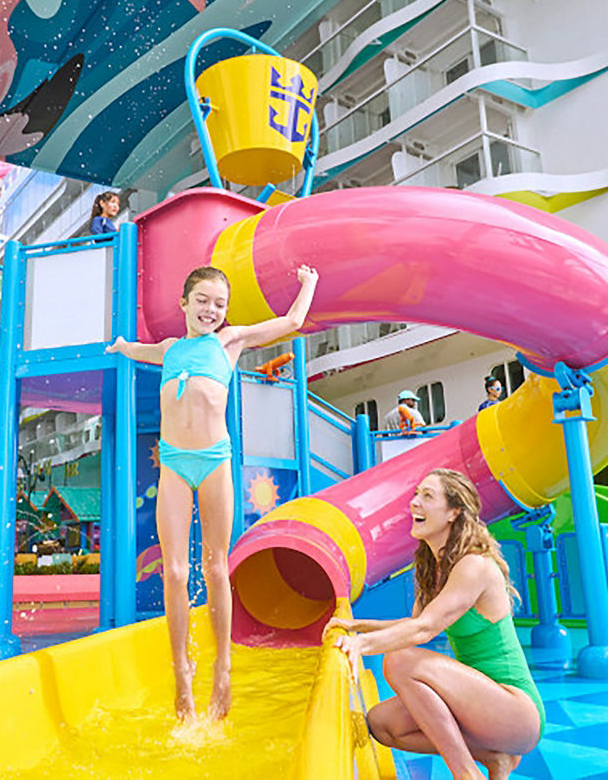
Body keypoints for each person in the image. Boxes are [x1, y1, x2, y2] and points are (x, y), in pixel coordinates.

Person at [107, 263, 319, 722]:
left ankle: (222, 666)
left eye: (219, 304)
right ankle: (181, 670)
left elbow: (291, 323)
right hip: (175, 467)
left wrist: (309, 285)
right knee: (176, 573)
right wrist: (123, 346)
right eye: (201, 300)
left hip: (215, 462)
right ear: (184, 303)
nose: (210, 309)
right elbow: (141, 350)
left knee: (217, 566)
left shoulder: (228, 342)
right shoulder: (169, 349)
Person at [324, 469, 543, 780]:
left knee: (399, 659)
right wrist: (358, 626)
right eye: (416, 495)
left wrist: (359, 647)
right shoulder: (434, 567)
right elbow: (415, 624)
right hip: (477, 707)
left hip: (515, 711)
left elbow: (424, 630)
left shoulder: (473, 566)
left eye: (427, 496)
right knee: (382, 724)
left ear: (454, 512)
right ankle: (494, 757)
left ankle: (466, 773)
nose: (415, 503)